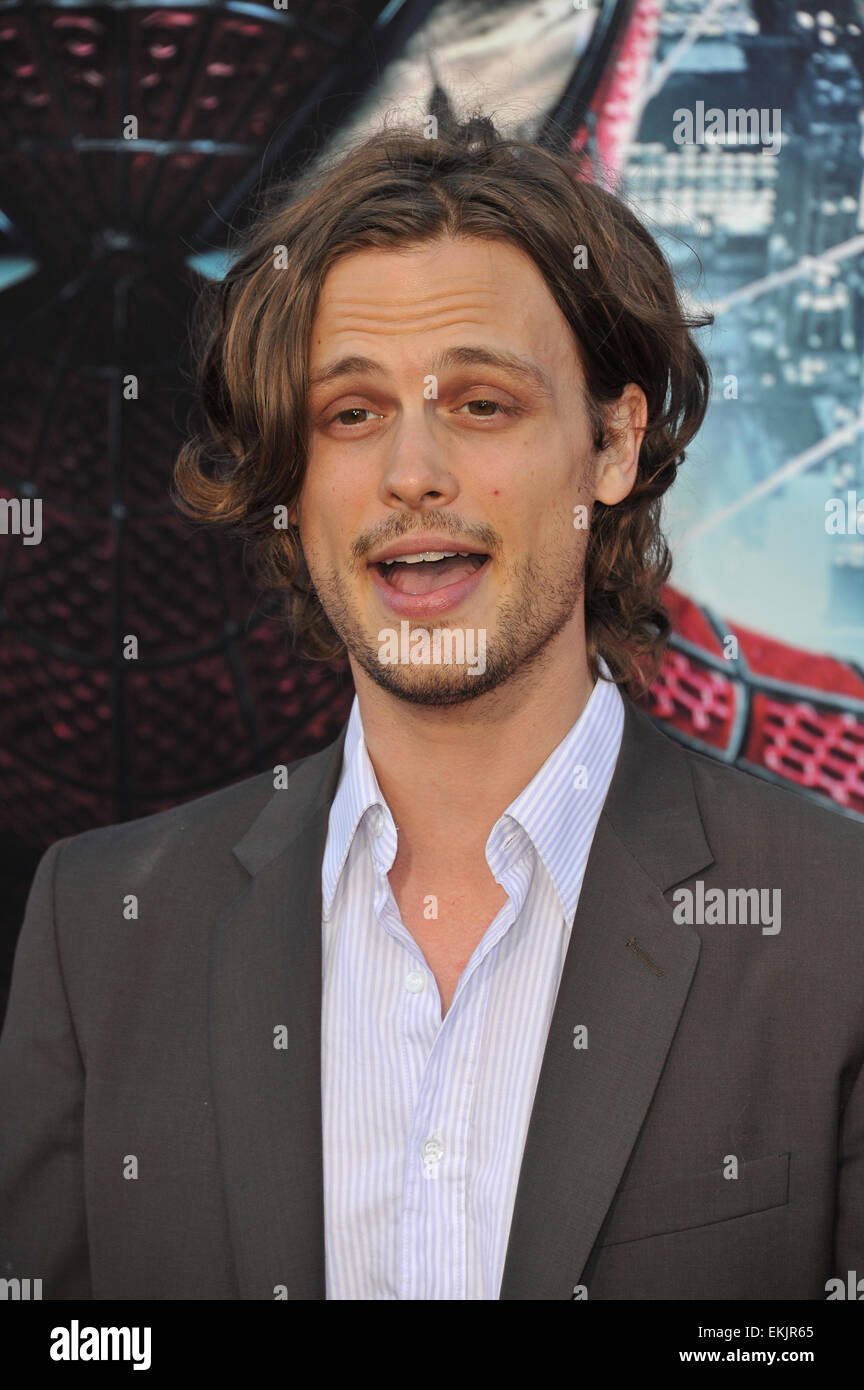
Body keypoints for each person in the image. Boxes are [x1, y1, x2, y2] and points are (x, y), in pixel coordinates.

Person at [1, 115, 862, 1302]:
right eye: (351, 414)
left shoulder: (836, 924)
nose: (412, 474)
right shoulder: (101, 930)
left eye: (482, 403)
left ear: (613, 444)